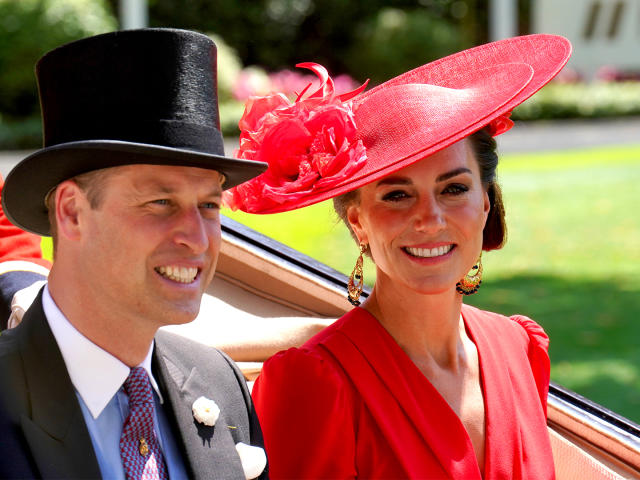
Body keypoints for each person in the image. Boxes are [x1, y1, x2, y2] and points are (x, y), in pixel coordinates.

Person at [223, 35, 572, 478]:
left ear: (485, 203)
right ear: (358, 222)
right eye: (397, 195)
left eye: (453, 189)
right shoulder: (315, 384)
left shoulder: (520, 348)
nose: (429, 218)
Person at [0, 28, 269, 479]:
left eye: (209, 205)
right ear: (72, 212)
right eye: (160, 203)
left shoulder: (218, 382)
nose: (198, 239)